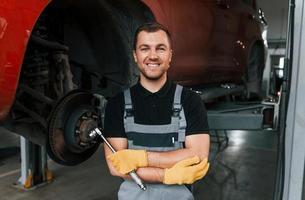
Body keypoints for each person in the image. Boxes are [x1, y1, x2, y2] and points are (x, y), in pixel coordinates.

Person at [103, 22, 210, 200]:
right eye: (145, 49)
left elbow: (197, 156)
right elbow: (116, 166)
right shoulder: (117, 104)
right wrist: (166, 175)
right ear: (135, 56)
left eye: (160, 49)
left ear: (170, 56)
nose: (152, 56)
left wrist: (141, 159)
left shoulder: (190, 101)